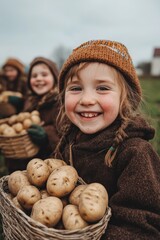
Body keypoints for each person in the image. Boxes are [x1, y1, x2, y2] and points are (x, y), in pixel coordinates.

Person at [54, 40, 160, 239]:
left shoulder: (135, 153)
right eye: (76, 88)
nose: (86, 100)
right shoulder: (69, 139)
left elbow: (142, 229)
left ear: (125, 98)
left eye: (102, 88)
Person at [5, 57, 60, 173]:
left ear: (55, 78)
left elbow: (64, 138)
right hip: (21, 165)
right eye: (34, 76)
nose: (39, 79)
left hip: (45, 168)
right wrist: (19, 102)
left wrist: (47, 136)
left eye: (44, 75)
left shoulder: (58, 104)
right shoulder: (30, 100)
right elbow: (23, 116)